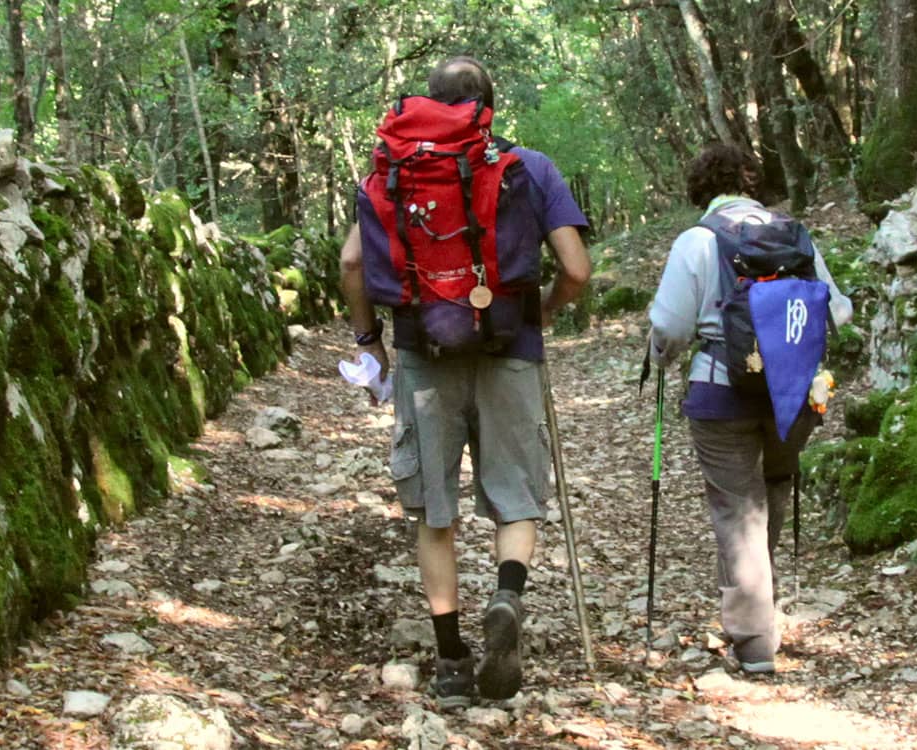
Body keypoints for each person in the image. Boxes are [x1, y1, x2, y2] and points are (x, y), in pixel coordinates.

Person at [338, 55, 592, 708]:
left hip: (424, 351)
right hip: (512, 345)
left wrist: (371, 344)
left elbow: (351, 263)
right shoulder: (529, 167)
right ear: (488, 106)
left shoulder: (393, 170)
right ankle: (507, 595)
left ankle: (451, 659)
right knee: (517, 497)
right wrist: (546, 311)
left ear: (430, 102)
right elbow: (576, 268)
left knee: (434, 511)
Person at [647, 142, 852, 674]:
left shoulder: (698, 240)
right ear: (749, 181)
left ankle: (755, 640)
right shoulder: (793, 234)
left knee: (738, 509)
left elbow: (670, 325)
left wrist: (661, 356)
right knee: (773, 491)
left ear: (701, 190)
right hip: (796, 392)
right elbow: (839, 312)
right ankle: (761, 608)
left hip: (721, 391)